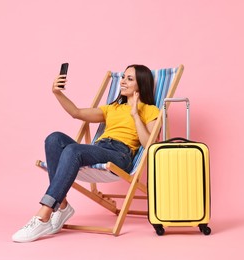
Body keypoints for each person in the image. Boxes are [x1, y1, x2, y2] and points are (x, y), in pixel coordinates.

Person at [12, 64, 160, 242]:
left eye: (130, 79)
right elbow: (76, 113)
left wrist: (135, 114)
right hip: (100, 148)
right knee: (54, 139)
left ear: (141, 85)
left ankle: (43, 215)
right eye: (123, 77)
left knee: (73, 149)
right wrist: (57, 93)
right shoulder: (111, 108)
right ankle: (63, 205)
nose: (123, 81)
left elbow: (149, 144)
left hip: (120, 155)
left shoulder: (150, 110)